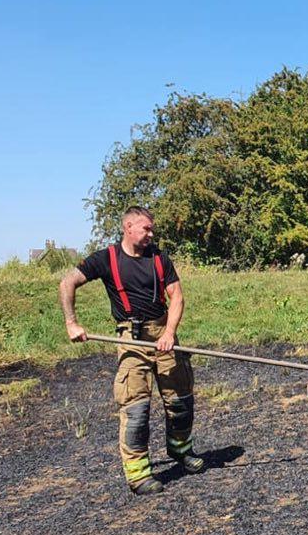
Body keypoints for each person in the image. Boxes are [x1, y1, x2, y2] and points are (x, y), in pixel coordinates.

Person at [58, 206, 204, 495]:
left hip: (163, 333)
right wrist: (72, 323)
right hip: (131, 338)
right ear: (128, 227)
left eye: (152, 228)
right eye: (146, 228)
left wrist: (170, 333)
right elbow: (67, 282)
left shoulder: (160, 258)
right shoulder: (106, 259)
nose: (151, 233)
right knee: (136, 408)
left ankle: (181, 451)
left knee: (181, 400)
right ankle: (138, 475)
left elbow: (177, 297)